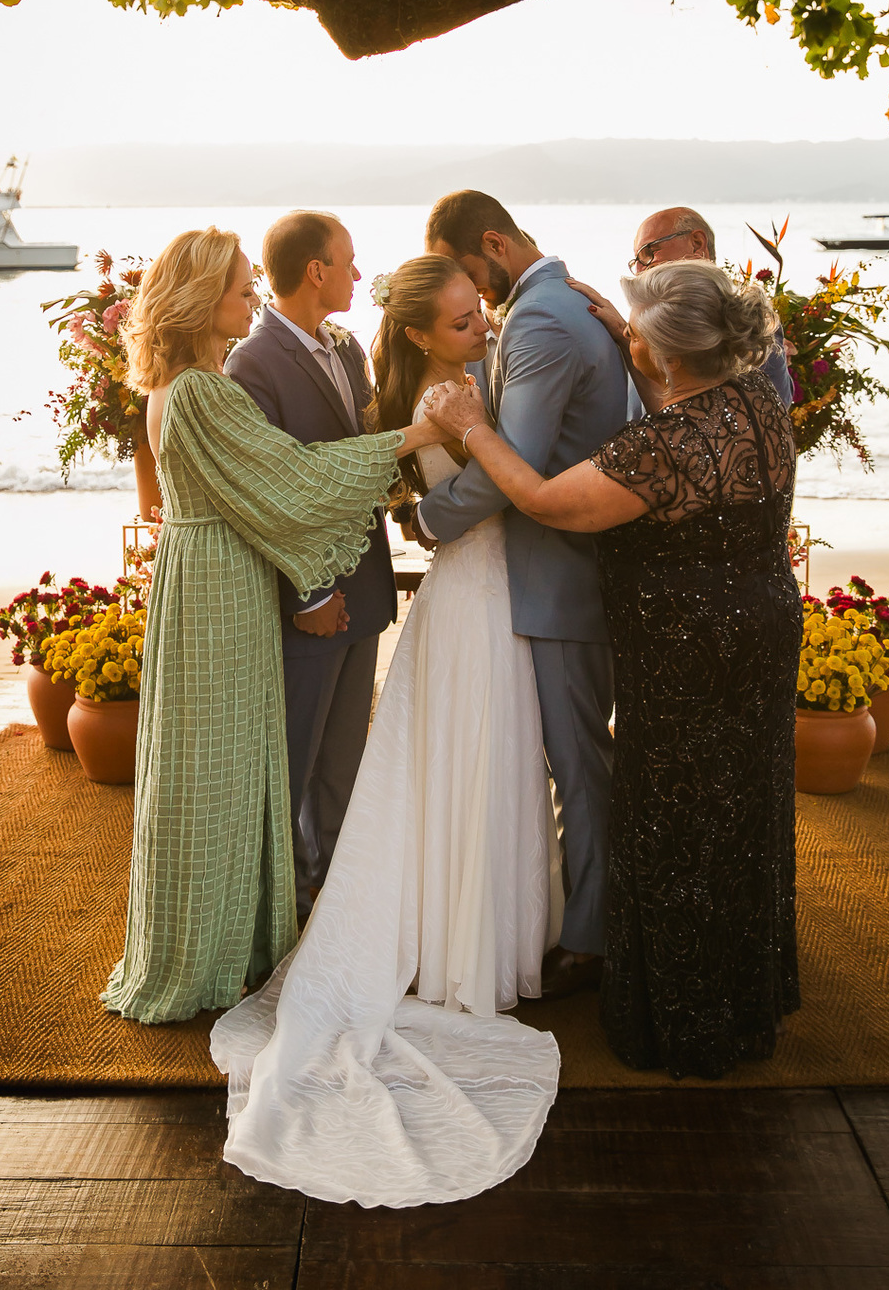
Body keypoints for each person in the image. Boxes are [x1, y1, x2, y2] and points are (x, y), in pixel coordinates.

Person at [210, 255, 562, 1207]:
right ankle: (455, 950)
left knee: (496, 765)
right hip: (470, 599)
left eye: (479, 311)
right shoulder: (431, 402)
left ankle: (496, 933)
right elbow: (455, 507)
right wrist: (457, 464)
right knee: (457, 762)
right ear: (417, 335)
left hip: (499, 594)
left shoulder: (474, 380)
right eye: (461, 321)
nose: (482, 328)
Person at [426, 258, 803, 1081]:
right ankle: (747, 997)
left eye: (639, 331)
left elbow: (542, 499)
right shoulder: (757, 403)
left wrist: (474, 427)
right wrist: (637, 345)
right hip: (765, 629)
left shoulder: (658, 449)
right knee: (745, 802)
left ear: (667, 354)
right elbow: (691, 417)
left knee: (675, 819)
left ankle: (686, 1018)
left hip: (686, 654)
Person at [103, 227, 437, 1025]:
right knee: (224, 771)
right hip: (219, 591)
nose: (253, 297)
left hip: (203, 580)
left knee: (210, 768)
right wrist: (422, 434)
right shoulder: (203, 391)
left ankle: (215, 939)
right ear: (200, 298)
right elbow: (297, 480)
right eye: (241, 287)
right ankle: (217, 954)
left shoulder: (179, 386)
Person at [415, 190, 631, 998]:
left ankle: (591, 940)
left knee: (578, 764)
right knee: (572, 758)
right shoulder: (559, 302)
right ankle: (568, 917)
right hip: (566, 573)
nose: (472, 294)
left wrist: (430, 516)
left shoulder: (540, 321)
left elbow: (518, 467)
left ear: (495, 244)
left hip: (560, 578)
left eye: (469, 274)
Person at [226, 211, 397, 923]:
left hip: (365, 585)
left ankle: (334, 904)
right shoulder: (252, 363)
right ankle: (283, 911)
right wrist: (309, 594)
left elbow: (362, 453)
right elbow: (271, 492)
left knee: (345, 761)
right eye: (347, 262)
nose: (358, 274)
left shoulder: (347, 348)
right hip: (310, 600)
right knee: (295, 760)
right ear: (315, 271)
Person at [628, 206, 793, 407]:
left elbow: (773, 407)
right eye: (636, 260)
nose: (639, 269)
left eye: (649, 252)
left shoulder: (746, 320)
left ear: (697, 244)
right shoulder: (645, 320)